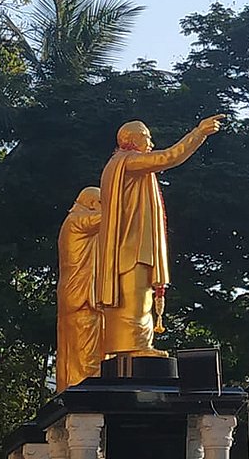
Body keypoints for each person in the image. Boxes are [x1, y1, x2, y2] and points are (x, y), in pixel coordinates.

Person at [96, 115, 225, 355]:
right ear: (132, 140)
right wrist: (199, 133)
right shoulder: (128, 162)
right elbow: (169, 157)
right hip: (132, 245)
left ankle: (136, 346)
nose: (151, 142)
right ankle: (136, 347)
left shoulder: (119, 165)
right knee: (135, 299)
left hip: (130, 244)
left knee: (137, 297)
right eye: (147, 137)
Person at [56, 186, 103, 390]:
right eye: (102, 203)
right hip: (82, 299)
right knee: (86, 356)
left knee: (75, 353)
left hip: (78, 298)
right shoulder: (77, 222)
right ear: (92, 203)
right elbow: (111, 217)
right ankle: (85, 397)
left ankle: (72, 393)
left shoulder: (73, 223)